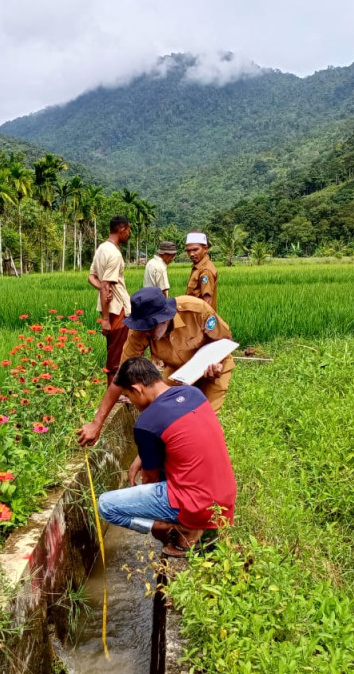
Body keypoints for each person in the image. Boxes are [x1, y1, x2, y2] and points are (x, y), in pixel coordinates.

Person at [97, 357, 236, 555]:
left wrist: (151, 516)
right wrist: (142, 455)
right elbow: (177, 437)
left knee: (106, 506)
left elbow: (149, 479)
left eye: (128, 396)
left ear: (137, 389)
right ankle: (190, 526)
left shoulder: (146, 422)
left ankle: (173, 528)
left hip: (197, 505)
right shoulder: (192, 393)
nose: (132, 402)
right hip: (223, 499)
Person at [77, 287, 234, 446]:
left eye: (150, 327)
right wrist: (97, 423)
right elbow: (122, 375)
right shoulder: (140, 332)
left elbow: (225, 340)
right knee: (167, 413)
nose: (146, 333)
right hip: (179, 372)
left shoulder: (196, 311)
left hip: (214, 369)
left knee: (206, 420)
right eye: (142, 328)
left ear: (164, 318)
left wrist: (217, 364)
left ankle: (207, 455)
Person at [88, 216, 132, 382]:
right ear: (122, 229)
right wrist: (106, 319)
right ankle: (114, 392)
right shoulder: (114, 254)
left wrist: (102, 288)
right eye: (128, 230)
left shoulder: (102, 248)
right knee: (117, 353)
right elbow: (106, 283)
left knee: (114, 348)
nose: (128, 234)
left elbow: (92, 277)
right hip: (116, 308)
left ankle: (116, 390)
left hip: (108, 306)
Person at [184, 232, 218, 312]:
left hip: (200, 319)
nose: (191, 254)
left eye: (195, 249)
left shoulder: (205, 271)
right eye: (188, 251)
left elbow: (207, 301)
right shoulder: (197, 267)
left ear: (205, 249)